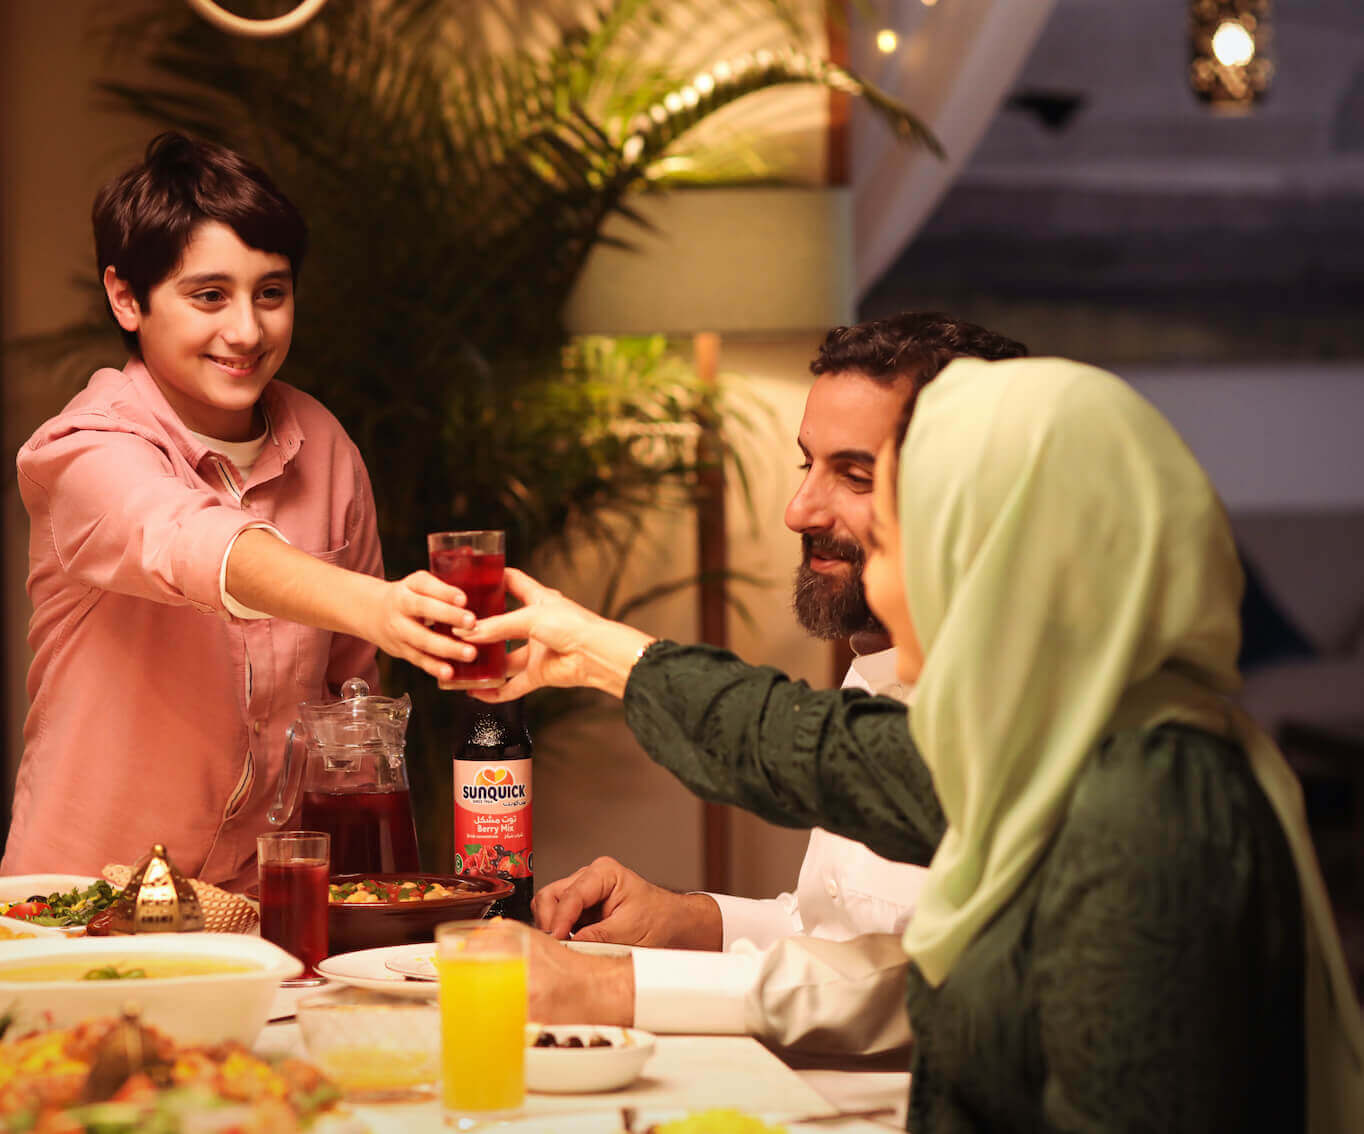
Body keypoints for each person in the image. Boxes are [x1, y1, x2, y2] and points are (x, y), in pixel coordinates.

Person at [464, 357, 1364, 1129]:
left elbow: (805, 767)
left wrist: (620, 986)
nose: (887, 587)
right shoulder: (1063, 737)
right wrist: (694, 920)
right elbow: (817, 792)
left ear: (1001, 549)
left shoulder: (1144, 807)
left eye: (897, 539)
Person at [534, 314, 1026, 1055]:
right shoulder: (883, 664)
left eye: (854, 477)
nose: (798, 511)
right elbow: (837, 930)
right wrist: (687, 920)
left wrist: (616, 988)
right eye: (807, 465)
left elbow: (926, 983)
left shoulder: (1028, 714)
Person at [2, 133, 478, 886]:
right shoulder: (84, 450)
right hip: (84, 904)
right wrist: (377, 604)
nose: (248, 331)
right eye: (209, 296)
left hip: (267, 910)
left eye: (271, 293)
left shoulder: (325, 446)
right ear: (126, 297)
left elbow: (351, 701)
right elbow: (189, 540)